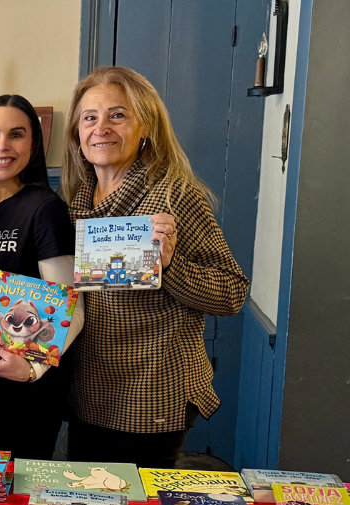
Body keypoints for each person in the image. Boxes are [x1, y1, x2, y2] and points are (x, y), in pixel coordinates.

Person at [62, 66, 248, 468]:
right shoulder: (76, 202)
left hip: (151, 395)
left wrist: (170, 265)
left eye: (118, 115)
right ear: (77, 132)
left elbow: (232, 292)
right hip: (90, 390)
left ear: (144, 125)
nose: (101, 128)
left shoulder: (173, 195)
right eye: (89, 117)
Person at [0, 95, 83, 459]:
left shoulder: (45, 210)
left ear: (34, 146)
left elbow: (73, 308)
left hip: (25, 392)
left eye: (17, 135)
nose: (2, 145)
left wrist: (32, 370)